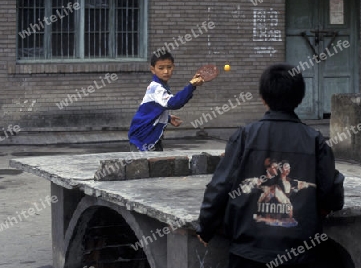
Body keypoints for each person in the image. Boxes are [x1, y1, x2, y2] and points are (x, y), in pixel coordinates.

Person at [196, 63, 347, 268]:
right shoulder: (315, 141)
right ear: (300, 99)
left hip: (247, 254)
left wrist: (205, 228)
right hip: (300, 255)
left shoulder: (244, 137)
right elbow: (332, 195)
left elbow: (219, 187)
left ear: (263, 98)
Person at [128, 52, 204, 151]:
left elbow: (150, 109)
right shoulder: (156, 87)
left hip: (150, 137)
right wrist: (191, 86)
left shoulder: (161, 86)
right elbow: (174, 103)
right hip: (142, 138)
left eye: (169, 67)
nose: (166, 71)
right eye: (161, 68)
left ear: (173, 67)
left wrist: (167, 118)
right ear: (153, 69)